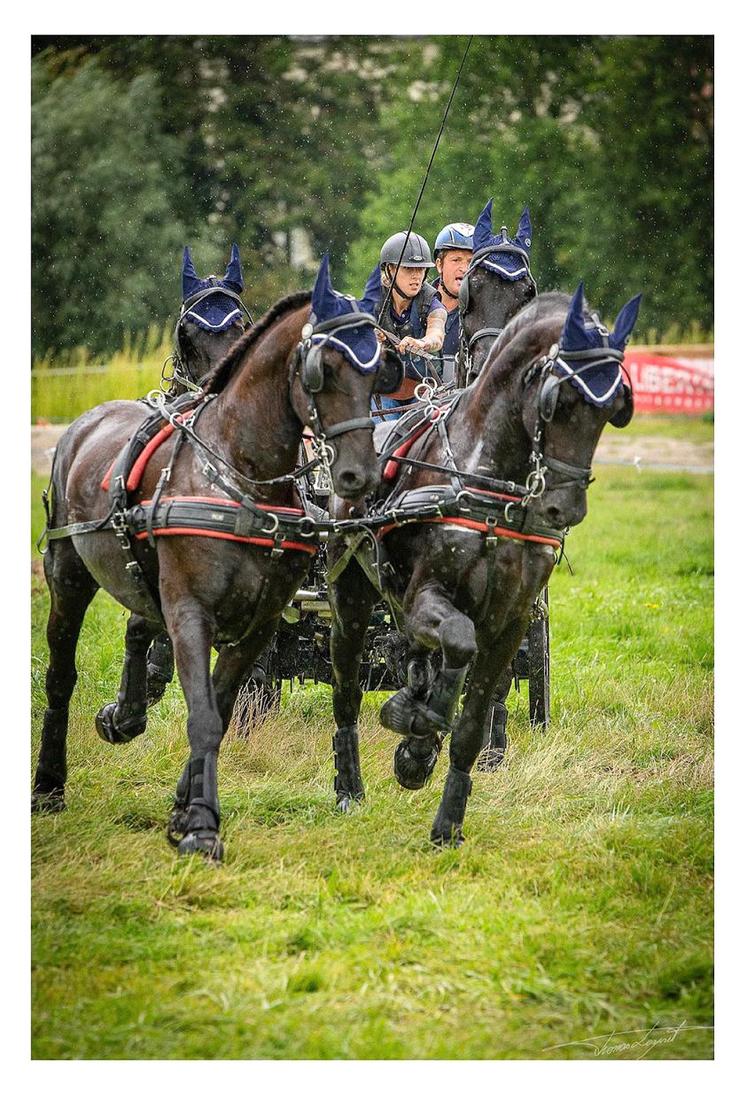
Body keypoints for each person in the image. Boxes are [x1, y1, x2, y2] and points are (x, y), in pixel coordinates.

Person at [363, 231, 446, 416]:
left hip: (424, 390)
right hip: (382, 389)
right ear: (390, 269)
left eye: (421, 269)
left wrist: (421, 343)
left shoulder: (431, 301)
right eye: (408, 269)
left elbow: (437, 334)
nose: (416, 276)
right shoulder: (373, 298)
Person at [431, 222, 475, 384]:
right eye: (456, 260)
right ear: (439, 265)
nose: (464, 268)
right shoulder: (417, 302)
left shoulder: (484, 313)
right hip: (418, 400)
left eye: (471, 261)